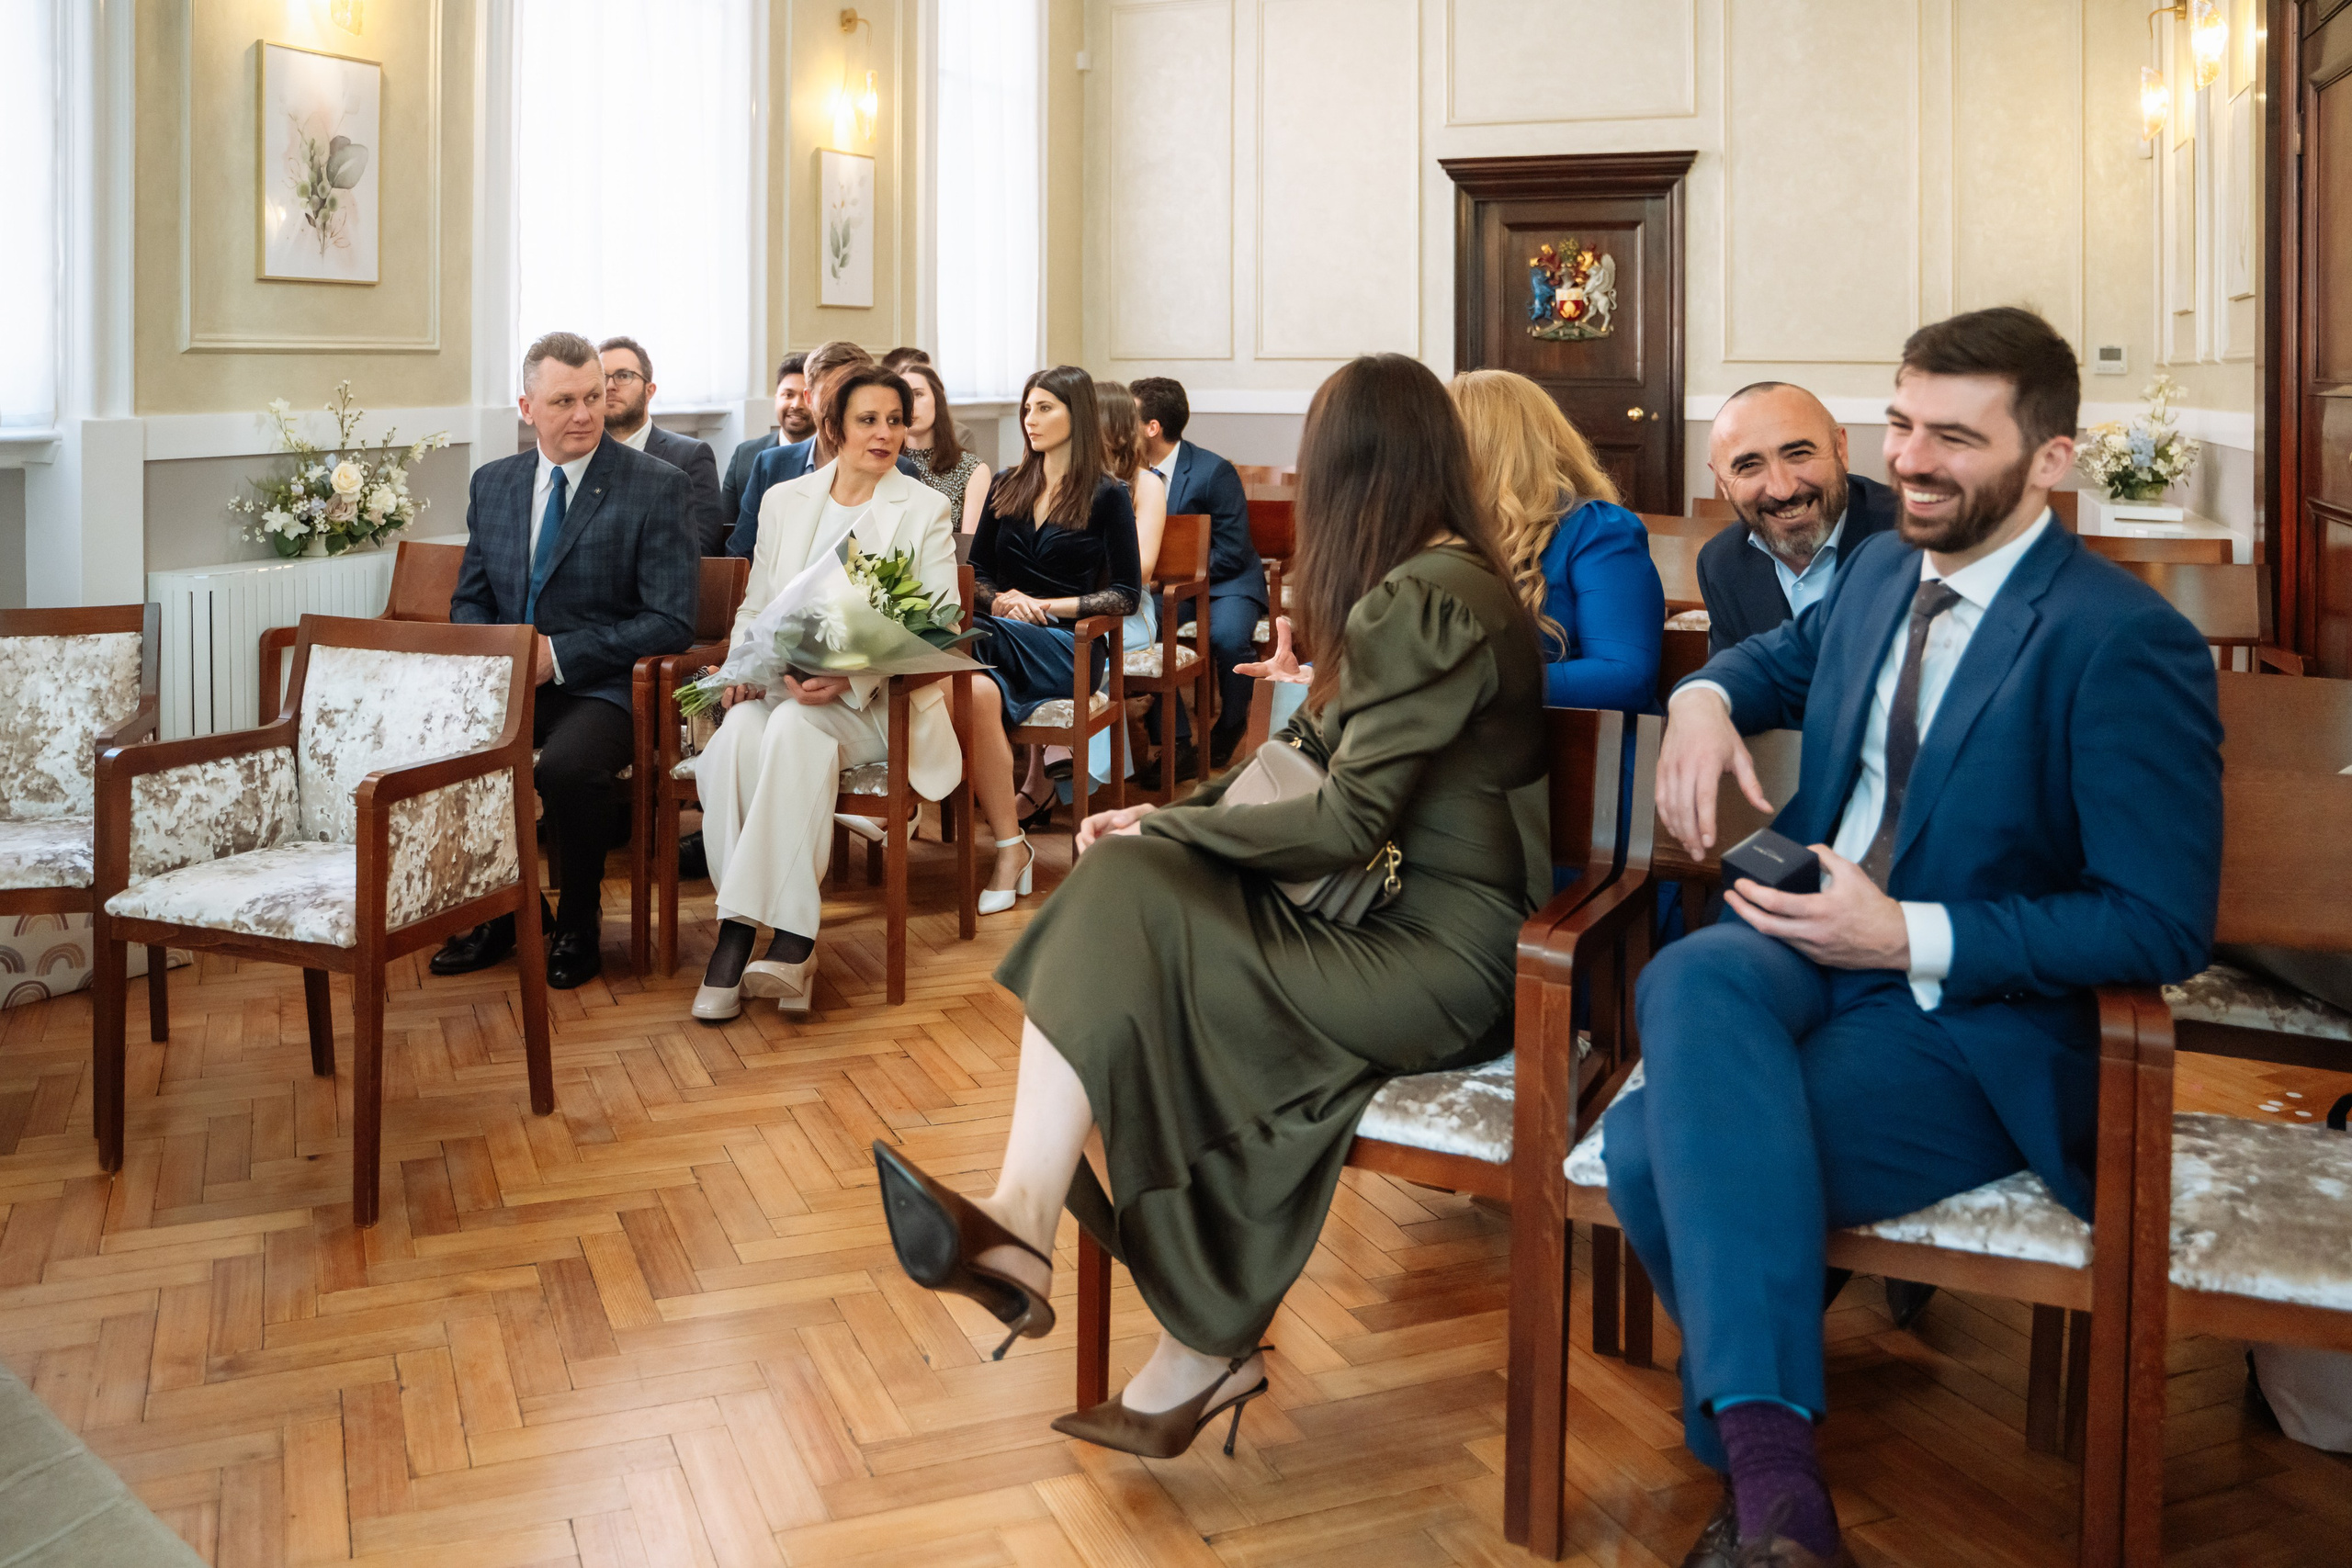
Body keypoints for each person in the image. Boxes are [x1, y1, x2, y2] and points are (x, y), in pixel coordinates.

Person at [1615, 307, 2222, 1567]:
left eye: (1956, 434)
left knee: (1644, 1145)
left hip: (1972, 1012)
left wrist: (1906, 932)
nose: (1914, 459)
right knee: (1688, 969)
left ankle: (1769, 1482)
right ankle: (1781, 1483)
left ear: (2051, 455)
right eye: (1900, 423)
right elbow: (1780, 657)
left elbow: (2161, 920)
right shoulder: (1885, 569)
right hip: (1803, 937)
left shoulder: (2124, 639)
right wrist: (1702, 692)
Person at [872, 352, 1544, 1462]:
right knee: (1126, 887)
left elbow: (1339, 823)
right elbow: (1299, 762)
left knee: (1134, 912)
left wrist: (1167, 830)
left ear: (1350, 472)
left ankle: (1063, 1252)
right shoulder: (1431, 582)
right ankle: (1050, 1242)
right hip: (1381, 927)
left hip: (1437, 959)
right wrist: (1154, 815)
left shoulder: (1428, 596)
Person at [688, 364, 970, 1020]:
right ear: (834, 426)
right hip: (783, 691)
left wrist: (850, 672)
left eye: (895, 420)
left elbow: (938, 622)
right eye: (868, 420)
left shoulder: (924, 506)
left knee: (791, 732)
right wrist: (742, 673)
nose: (885, 434)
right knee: (733, 742)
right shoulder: (786, 500)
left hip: (876, 705)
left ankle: (757, 937)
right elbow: (757, 607)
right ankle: (779, 939)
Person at [437, 332, 696, 989]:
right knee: (449, 745)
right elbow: (469, 600)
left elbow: (671, 619)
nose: (585, 413)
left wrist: (559, 655)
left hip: (608, 685)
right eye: (564, 401)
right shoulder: (493, 483)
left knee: (572, 768)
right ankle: (504, 912)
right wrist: (500, 656)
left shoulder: (656, 486)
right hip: (511, 679)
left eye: (592, 396)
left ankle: (579, 919)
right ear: (527, 406)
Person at [964, 366, 1141, 898]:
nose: (1030, 419)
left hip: (1070, 648)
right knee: (974, 677)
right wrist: (1004, 600)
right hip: (1002, 631)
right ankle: (1009, 844)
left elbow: (1125, 595)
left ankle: (908, 781)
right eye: (1027, 408)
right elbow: (975, 579)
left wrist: (1043, 605)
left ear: (1077, 415)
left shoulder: (1108, 495)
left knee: (965, 636)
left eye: (1045, 408)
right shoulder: (1006, 485)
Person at [1449, 368, 1661, 712]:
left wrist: (1476, 686)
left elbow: (1626, 676)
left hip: (1586, 752)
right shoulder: (1446, 531)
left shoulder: (1597, 529)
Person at [1697, 382, 1899, 657]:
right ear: (1721, 481)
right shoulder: (1721, 564)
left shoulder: (1913, 535)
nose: (1782, 489)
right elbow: (1736, 685)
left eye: (1798, 454)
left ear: (1840, 449)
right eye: (1749, 466)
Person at [1131, 378, 1264, 776]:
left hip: (1228, 583)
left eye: (1127, 417)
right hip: (1165, 586)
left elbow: (1233, 549)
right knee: (1144, 631)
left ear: (1152, 427)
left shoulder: (1212, 471)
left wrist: (1168, 577)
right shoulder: (1128, 472)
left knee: (1226, 637)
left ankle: (1232, 723)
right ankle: (1177, 744)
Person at [730, 342, 922, 559]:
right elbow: (741, 555)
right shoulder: (770, 465)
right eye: (832, 394)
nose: (840, 405)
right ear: (810, 398)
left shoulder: (900, 470)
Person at [1086, 379, 1167, 790]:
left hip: (1128, 612)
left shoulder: (1145, 484)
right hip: (1073, 605)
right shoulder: (1063, 479)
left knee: (1073, 647)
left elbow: (1144, 569)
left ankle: (1051, 773)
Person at [596, 336, 724, 557]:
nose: (610, 386)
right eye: (602, 377)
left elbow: (701, 548)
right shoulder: (580, 456)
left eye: (624, 376)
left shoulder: (690, 457)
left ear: (649, 390)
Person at [720, 354, 816, 545]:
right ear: (776, 398)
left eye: (805, 396)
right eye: (788, 395)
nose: (796, 405)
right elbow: (726, 527)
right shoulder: (746, 456)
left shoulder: (833, 457)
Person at [902, 360, 990, 533]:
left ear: (938, 399)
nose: (910, 404)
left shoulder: (971, 469)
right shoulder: (884, 463)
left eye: (918, 394)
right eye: (903, 397)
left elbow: (969, 550)